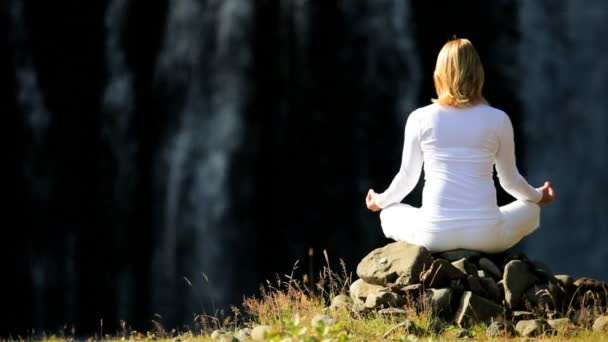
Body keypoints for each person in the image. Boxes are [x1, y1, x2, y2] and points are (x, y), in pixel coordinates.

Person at [365, 38, 556, 253]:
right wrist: (540, 195)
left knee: (388, 212)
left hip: (434, 235)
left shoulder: (419, 118)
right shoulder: (498, 119)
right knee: (532, 209)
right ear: (478, 74)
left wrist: (379, 200)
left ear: (439, 74)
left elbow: (407, 178)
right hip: (487, 236)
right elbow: (510, 181)